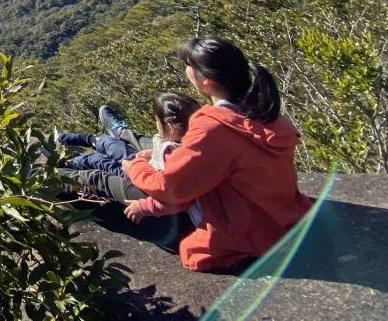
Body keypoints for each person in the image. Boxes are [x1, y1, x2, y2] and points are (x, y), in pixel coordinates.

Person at [121, 36, 313, 272]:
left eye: (190, 66)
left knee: (115, 182)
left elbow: (169, 186)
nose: (187, 70)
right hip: (278, 217)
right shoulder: (263, 110)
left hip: (244, 233)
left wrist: (136, 169)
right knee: (146, 151)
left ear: (207, 82)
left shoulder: (214, 128)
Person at [57, 94, 199, 206]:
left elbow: (168, 191)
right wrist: (154, 153)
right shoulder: (188, 145)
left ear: (171, 128)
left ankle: (68, 163)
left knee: (100, 161)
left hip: (139, 178)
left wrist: (135, 167)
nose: (156, 123)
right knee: (113, 145)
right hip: (144, 168)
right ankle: (94, 139)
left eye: (157, 120)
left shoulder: (176, 159)